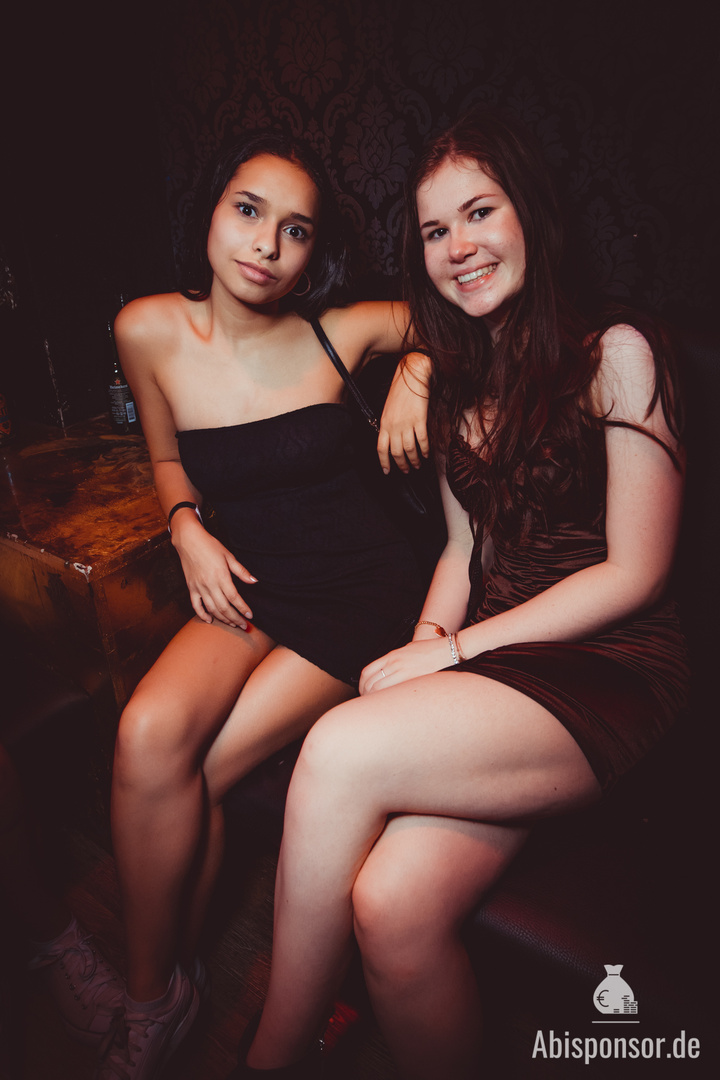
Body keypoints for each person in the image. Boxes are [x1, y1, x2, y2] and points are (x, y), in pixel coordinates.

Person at [237, 107, 690, 1079]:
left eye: (480, 212)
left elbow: (638, 571)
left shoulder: (617, 350)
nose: (459, 247)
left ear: (531, 211)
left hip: (608, 667)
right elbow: (462, 547)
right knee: (391, 906)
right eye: (437, 230)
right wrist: (429, 635)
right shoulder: (451, 380)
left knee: (336, 747)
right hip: (497, 662)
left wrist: (448, 653)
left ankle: (270, 1057)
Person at [95, 131, 433, 1080]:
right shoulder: (145, 328)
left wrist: (415, 372)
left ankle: (173, 981)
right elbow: (167, 457)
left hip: (362, 591)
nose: (265, 245)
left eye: (295, 229)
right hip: (251, 577)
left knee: (205, 769)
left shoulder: (339, 329)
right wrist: (185, 527)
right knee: (147, 734)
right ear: (211, 209)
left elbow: (457, 319)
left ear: (313, 252)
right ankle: (155, 997)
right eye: (248, 210)